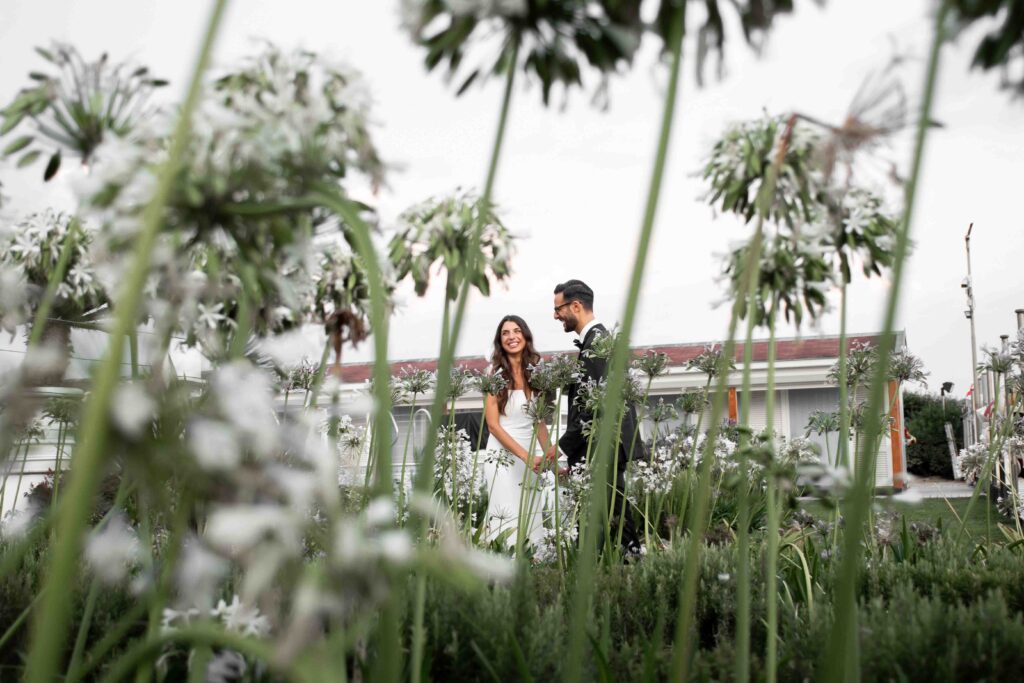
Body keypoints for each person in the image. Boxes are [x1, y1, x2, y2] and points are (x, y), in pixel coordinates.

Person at [545, 279, 641, 555]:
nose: (555, 315)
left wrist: (561, 447)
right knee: (609, 520)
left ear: (575, 306)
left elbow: (592, 407)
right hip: (600, 449)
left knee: (617, 520)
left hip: (602, 450)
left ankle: (630, 574)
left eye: (558, 308)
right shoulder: (597, 342)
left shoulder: (598, 345)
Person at [482, 315, 554, 547]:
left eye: (516, 331)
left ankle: (533, 573)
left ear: (525, 336)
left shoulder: (536, 374)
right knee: (507, 516)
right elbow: (493, 425)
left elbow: (539, 422)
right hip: (502, 456)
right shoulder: (493, 375)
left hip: (530, 460)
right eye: (505, 333)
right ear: (499, 340)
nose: (512, 336)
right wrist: (526, 456)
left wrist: (552, 459)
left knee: (531, 516)